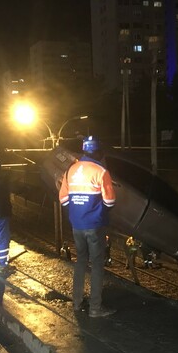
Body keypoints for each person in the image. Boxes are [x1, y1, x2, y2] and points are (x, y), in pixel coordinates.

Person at [59, 136, 116, 318]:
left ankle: (77, 303)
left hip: (77, 225)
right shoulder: (100, 171)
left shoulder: (70, 170)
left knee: (81, 261)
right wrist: (98, 212)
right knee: (97, 264)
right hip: (95, 225)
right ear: (98, 152)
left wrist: (78, 211)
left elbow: (63, 199)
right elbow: (110, 200)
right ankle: (95, 308)